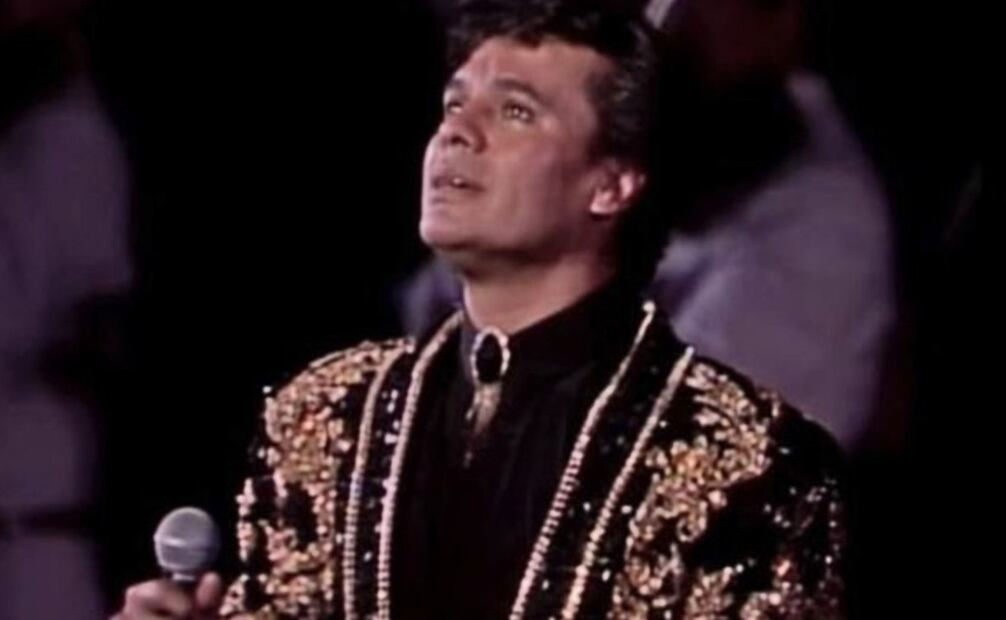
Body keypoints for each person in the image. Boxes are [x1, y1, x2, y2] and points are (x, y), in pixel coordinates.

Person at [114, 1, 845, 618]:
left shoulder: (746, 461)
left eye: (516, 112)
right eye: (454, 105)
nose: (457, 132)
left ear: (612, 184)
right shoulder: (325, 413)